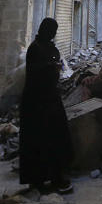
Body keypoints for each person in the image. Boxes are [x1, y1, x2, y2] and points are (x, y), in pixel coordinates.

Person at [20, 18, 74, 193]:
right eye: (52, 30)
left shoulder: (50, 48)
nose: (54, 34)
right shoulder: (35, 48)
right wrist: (51, 66)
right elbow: (34, 72)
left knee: (56, 138)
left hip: (50, 98)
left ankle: (56, 176)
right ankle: (37, 180)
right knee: (38, 140)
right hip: (36, 101)